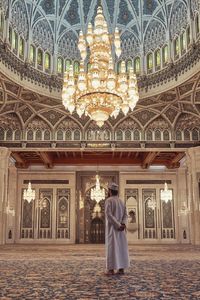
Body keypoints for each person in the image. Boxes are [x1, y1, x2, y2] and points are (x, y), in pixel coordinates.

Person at [105, 182, 130, 275]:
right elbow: (126, 215)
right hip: (121, 229)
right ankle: (121, 268)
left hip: (113, 229)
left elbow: (109, 215)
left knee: (112, 248)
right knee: (121, 248)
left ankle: (111, 269)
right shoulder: (121, 201)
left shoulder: (109, 201)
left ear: (110, 191)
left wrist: (118, 225)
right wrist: (123, 224)